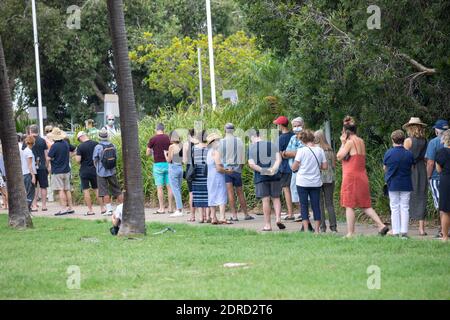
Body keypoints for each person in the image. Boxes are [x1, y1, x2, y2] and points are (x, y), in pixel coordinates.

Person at [337, 116, 389, 237]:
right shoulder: (360, 141)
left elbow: (339, 156)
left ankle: (351, 232)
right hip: (361, 175)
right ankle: (381, 225)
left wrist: (342, 142)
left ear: (346, 132)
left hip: (351, 177)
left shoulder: (349, 142)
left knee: (349, 205)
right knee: (365, 204)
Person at [248, 129, 285, 231]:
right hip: (275, 175)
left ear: (252, 137)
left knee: (266, 199)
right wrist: (273, 169)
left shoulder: (252, 148)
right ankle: (278, 218)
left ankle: (268, 225)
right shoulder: (272, 144)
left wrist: (263, 170)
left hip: (261, 177)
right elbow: (279, 159)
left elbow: (251, 164)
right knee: (276, 198)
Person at [291, 130, 328, 233]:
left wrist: (297, 166)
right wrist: (315, 166)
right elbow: (325, 166)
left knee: (303, 206)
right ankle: (317, 230)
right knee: (316, 205)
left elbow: (294, 167)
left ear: (303, 140)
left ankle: (306, 229)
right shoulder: (320, 150)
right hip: (316, 182)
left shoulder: (301, 151)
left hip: (302, 182)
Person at [383, 130, 414, 238]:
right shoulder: (409, 153)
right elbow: (412, 168)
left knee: (394, 207)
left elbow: (385, 168)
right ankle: (404, 232)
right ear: (403, 139)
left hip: (393, 183)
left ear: (392, 140)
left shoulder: (388, 153)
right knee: (405, 207)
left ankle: (396, 231)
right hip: (406, 182)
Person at [219, 123, 252, 221]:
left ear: (225, 130)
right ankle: (246, 214)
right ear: (233, 130)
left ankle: (234, 215)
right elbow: (243, 157)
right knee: (240, 193)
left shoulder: (221, 142)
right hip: (237, 170)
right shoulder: (239, 141)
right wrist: (240, 168)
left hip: (227, 170)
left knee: (230, 193)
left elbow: (219, 158)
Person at [403, 117, 428, 236]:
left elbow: (404, 157)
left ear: (410, 128)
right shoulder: (424, 141)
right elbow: (425, 158)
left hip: (410, 169)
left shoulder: (408, 141)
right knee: (421, 196)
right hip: (421, 168)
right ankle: (421, 228)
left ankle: (404, 226)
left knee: (407, 196)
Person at [425, 119, 449, 238]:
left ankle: (442, 231)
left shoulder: (433, 142)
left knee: (441, 205)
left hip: (436, 177)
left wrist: (428, 176)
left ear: (437, 130)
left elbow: (430, 162)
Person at [93, 128, 123, 216]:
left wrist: (97, 167)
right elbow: (116, 157)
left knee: (104, 191)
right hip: (112, 171)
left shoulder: (98, 147)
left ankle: (109, 210)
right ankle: (122, 208)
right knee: (117, 190)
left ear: (99, 137)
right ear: (107, 136)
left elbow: (95, 159)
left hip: (101, 172)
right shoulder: (113, 145)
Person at [47, 127, 76, 216]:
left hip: (57, 171)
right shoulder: (66, 143)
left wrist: (47, 167)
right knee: (67, 189)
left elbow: (48, 158)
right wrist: (69, 157)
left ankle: (63, 209)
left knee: (60, 190)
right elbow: (75, 149)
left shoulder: (54, 146)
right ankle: (70, 207)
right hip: (66, 170)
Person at [146, 123, 173, 214]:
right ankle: (170, 208)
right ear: (163, 129)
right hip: (168, 164)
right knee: (169, 187)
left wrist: (152, 152)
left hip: (158, 165)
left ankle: (161, 208)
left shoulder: (153, 139)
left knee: (160, 187)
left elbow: (147, 153)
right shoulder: (168, 138)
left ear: (156, 129)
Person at [315, 130, 337, 233]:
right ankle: (333, 227)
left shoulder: (317, 150)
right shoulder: (330, 150)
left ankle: (322, 227)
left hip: (318, 179)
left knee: (320, 204)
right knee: (330, 204)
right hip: (330, 179)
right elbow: (333, 165)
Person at [75, 131, 103, 216]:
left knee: (85, 190)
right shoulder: (96, 144)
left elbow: (78, 160)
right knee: (97, 189)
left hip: (84, 170)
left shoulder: (80, 146)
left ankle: (90, 210)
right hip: (95, 170)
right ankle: (103, 208)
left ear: (80, 138)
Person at [283, 117, 305, 222]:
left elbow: (300, 153)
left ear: (303, 125)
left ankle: (304, 213)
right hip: (294, 170)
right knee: (295, 192)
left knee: (303, 191)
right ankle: (302, 213)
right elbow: (287, 153)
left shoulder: (306, 137)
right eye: (295, 126)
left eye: (298, 125)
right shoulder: (292, 138)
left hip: (304, 169)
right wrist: (288, 153)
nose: (296, 128)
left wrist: (288, 153)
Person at [273, 116, 295, 221]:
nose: (277, 126)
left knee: (286, 189)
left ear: (281, 126)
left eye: (278, 124)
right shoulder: (294, 135)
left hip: (285, 167)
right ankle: (300, 211)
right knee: (296, 189)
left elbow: (277, 154)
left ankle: (290, 213)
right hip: (296, 165)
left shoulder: (280, 138)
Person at [24, 125, 49, 212]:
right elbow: (46, 155)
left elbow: (24, 155)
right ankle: (44, 206)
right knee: (43, 186)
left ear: (30, 131)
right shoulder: (42, 141)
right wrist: (47, 166)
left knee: (33, 187)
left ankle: (34, 205)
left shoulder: (27, 140)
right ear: (37, 131)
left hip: (31, 168)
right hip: (42, 166)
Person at [207, 132, 229, 224]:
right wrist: (228, 171)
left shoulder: (209, 152)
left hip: (210, 176)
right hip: (218, 176)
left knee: (212, 195)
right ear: (214, 142)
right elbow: (219, 168)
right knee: (221, 195)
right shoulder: (216, 152)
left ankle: (213, 217)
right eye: (218, 140)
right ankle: (222, 217)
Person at [191, 130, 209, 223]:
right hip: (207, 172)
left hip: (196, 172)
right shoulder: (209, 148)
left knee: (198, 194)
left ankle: (201, 217)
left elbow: (191, 160)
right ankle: (207, 217)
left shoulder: (194, 148)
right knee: (207, 194)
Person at [165, 130, 184, 217]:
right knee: (178, 189)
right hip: (180, 167)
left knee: (175, 189)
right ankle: (180, 209)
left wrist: (165, 154)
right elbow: (183, 160)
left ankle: (179, 210)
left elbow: (169, 160)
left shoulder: (171, 147)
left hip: (173, 168)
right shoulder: (181, 145)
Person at [436, 129, 450, 242]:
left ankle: (445, 236)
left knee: (445, 210)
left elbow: (438, 169)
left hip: (446, 180)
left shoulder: (442, 152)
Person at [183, 129, 199, 221]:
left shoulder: (186, 144)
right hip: (200, 168)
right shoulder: (200, 143)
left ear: (189, 135)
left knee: (191, 193)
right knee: (203, 192)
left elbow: (184, 161)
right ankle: (205, 216)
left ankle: (192, 216)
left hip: (190, 168)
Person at [21, 136, 36, 211]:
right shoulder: (29, 152)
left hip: (25, 173)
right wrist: (33, 176)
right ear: (33, 143)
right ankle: (27, 209)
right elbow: (29, 165)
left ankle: (28, 208)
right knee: (30, 192)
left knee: (27, 191)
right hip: (28, 174)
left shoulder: (25, 150)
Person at [44, 125, 55, 202]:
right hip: (53, 159)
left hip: (48, 159)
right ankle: (51, 195)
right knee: (52, 177)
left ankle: (50, 195)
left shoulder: (44, 139)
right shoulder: (55, 139)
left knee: (49, 178)